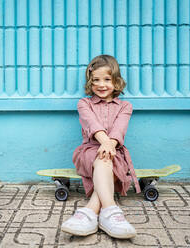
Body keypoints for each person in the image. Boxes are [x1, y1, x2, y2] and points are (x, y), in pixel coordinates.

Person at [61, 55, 141, 239]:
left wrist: (110, 144)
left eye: (107, 79)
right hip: (89, 151)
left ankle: (90, 212)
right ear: (90, 81)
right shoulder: (84, 103)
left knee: (107, 158)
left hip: (115, 152)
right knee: (103, 157)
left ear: (116, 81)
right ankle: (112, 211)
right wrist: (105, 143)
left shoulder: (125, 106)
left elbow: (120, 129)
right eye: (96, 80)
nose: (101, 85)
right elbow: (92, 124)